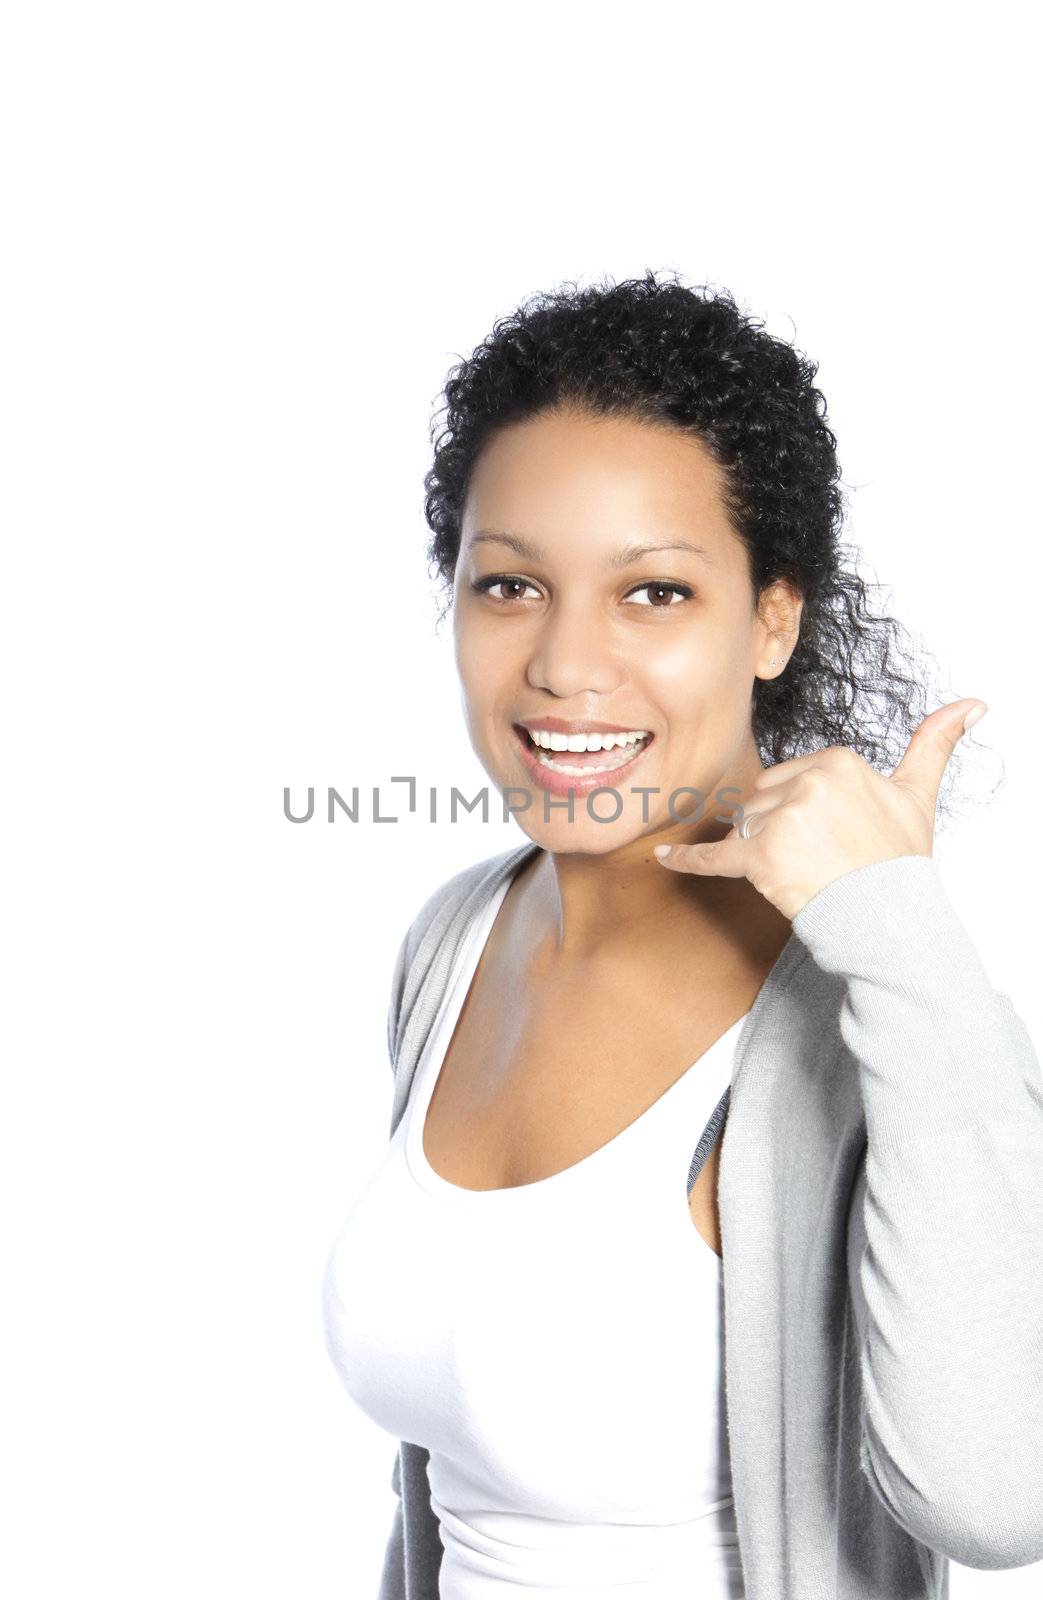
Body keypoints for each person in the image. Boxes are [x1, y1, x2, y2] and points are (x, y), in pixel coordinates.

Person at [322, 272, 1043, 1599]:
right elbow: (445, 1493)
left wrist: (899, 929)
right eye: (508, 586)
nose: (564, 665)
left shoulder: (873, 1004)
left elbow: (997, 1500)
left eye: (652, 593)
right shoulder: (455, 941)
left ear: (773, 616)